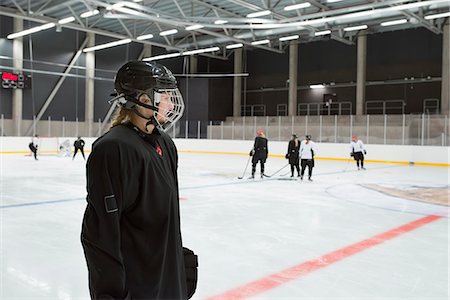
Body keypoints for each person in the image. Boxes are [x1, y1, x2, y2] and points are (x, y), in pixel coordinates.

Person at [81, 61, 197, 299]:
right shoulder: (113, 149)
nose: (170, 103)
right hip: (138, 288)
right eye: (164, 95)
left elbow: (164, 219)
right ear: (144, 99)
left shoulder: (165, 144)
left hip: (166, 282)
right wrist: (110, 292)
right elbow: (100, 234)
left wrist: (179, 267)